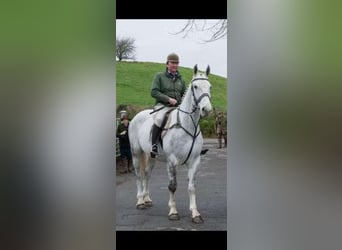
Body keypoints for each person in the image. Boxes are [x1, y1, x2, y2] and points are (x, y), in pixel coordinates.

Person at [150, 52, 186, 158]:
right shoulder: (159, 76)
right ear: (167, 64)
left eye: (176, 63)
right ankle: (154, 145)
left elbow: (184, 95)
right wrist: (168, 99)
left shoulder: (181, 80)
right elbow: (154, 92)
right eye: (172, 63)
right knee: (160, 118)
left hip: (177, 107)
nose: (175, 65)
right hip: (162, 106)